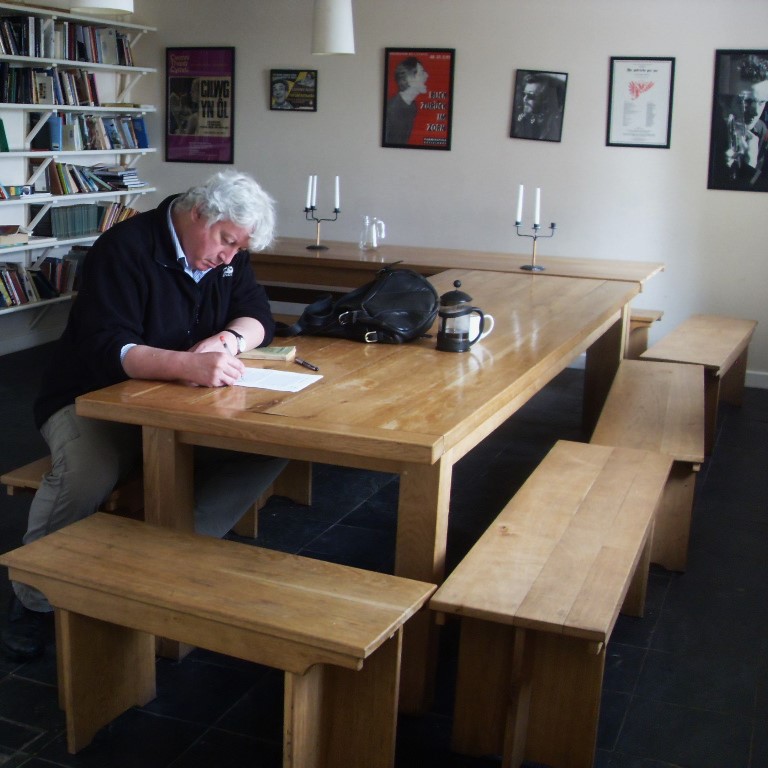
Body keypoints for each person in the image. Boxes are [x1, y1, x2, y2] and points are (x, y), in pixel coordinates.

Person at [1, 170, 288, 662]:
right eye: (226, 242)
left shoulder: (225, 254)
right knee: (88, 473)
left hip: (181, 398)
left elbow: (258, 314)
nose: (229, 256)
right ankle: (34, 600)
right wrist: (187, 364)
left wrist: (229, 340)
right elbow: (106, 346)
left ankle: (162, 561)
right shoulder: (124, 248)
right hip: (91, 395)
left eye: (239, 249)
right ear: (199, 214)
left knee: (270, 446)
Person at [713, 54, 768, 190]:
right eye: (748, 102)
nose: (756, 112)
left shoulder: (761, 130)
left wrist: (750, 165)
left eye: (762, 102)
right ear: (724, 101)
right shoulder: (711, 131)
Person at [384, 57, 429, 145]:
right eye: (422, 72)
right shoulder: (390, 109)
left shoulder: (412, 107)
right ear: (409, 79)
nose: (427, 75)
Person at [512, 72, 564, 142]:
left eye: (530, 96)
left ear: (547, 100)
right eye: (524, 94)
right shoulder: (521, 122)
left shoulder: (556, 127)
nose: (524, 99)